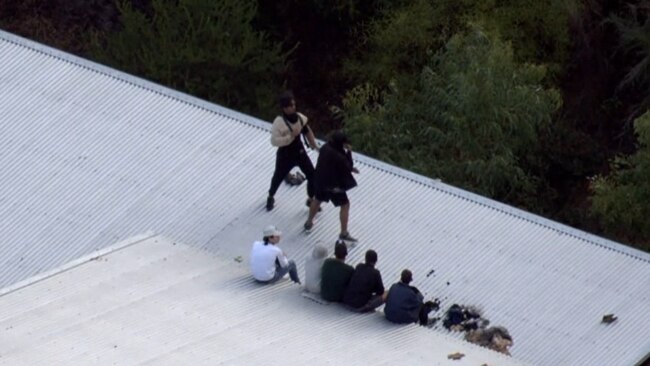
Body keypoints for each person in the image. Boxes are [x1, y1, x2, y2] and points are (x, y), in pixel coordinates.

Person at [266, 90, 319, 211]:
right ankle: (271, 196)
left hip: (299, 151)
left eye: (294, 105)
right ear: (284, 108)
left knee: (312, 175)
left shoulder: (300, 118)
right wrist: (290, 137)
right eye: (290, 106)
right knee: (278, 176)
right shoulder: (279, 122)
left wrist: (314, 145)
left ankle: (311, 199)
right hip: (285, 154)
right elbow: (274, 141)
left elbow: (307, 131)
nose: (293, 108)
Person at [304, 130, 359, 242]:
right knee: (345, 205)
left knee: (318, 199)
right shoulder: (339, 156)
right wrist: (349, 152)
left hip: (320, 180)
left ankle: (309, 222)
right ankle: (344, 232)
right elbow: (347, 166)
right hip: (334, 186)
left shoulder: (325, 148)